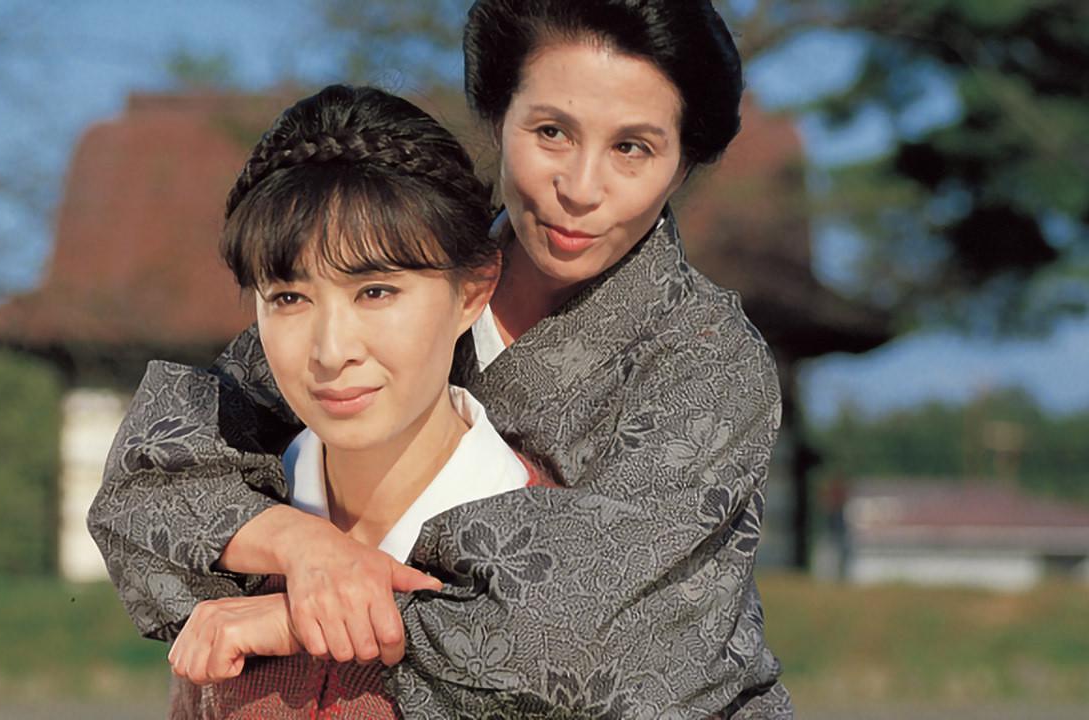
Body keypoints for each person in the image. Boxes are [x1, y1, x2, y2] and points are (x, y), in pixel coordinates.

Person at [89, 1, 794, 716]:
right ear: (498, 116)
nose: (581, 189)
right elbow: (152, 475)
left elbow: (589, 625)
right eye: (551, 132)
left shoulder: (707, 358)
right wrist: (304, 546)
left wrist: (302, 619)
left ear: (682, 165)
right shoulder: (394, 264)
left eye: (632, 148)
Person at [165, 83, 555, 718]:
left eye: (375, 292)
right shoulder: (222, 545)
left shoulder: (561, 551)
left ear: (473, 290)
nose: (330, 350)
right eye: (289, 298)